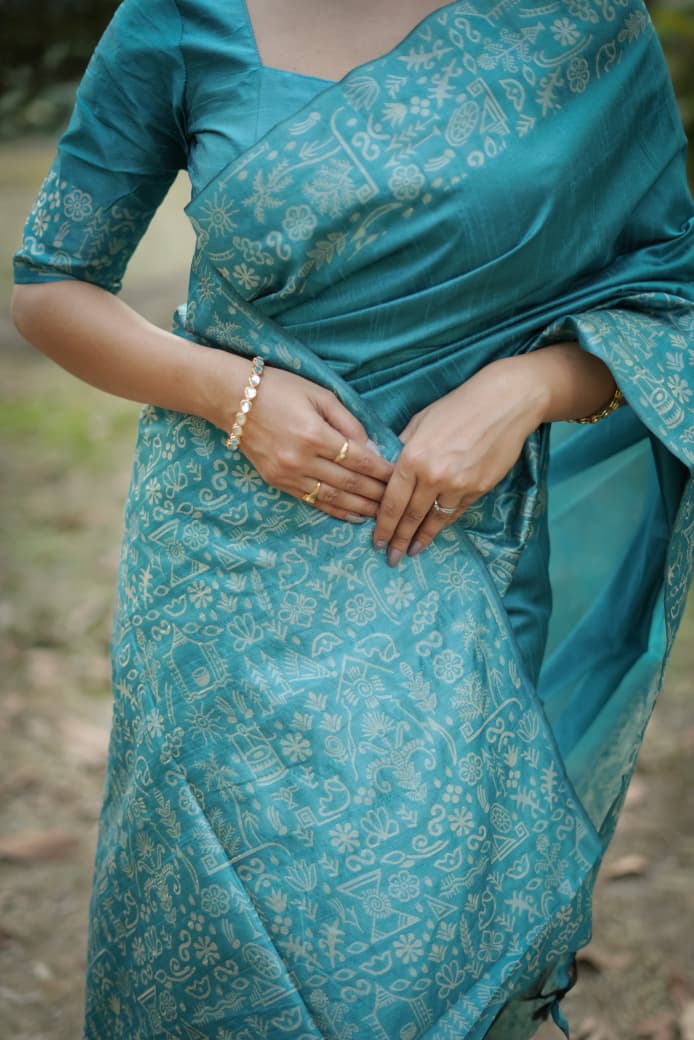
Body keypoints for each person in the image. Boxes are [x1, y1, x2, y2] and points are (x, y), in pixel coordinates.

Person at [11, 0, 693, 1037]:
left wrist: (526, 389)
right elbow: (51, 286)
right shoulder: (179, 18)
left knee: (422, 954)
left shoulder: (577, 24)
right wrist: (232, 395)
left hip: (452, 549)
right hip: (226, 574)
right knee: (224, 941)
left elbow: (673, 294)